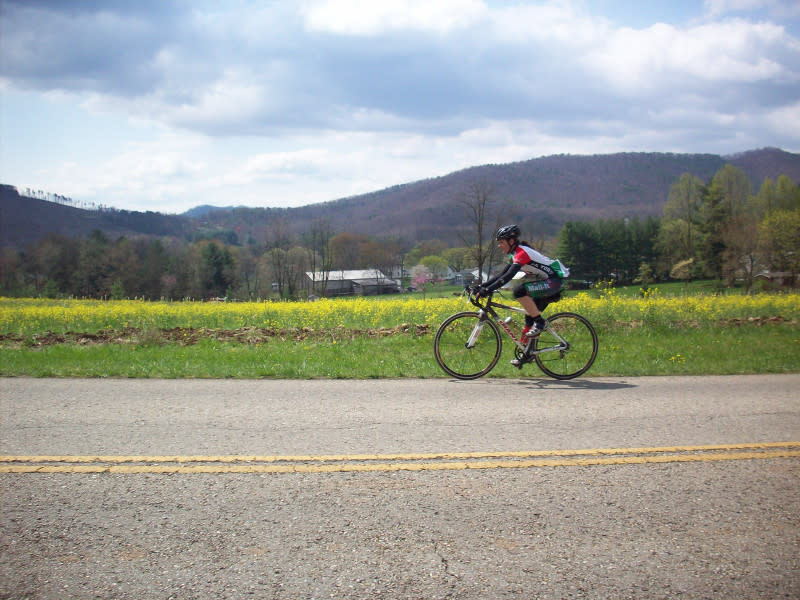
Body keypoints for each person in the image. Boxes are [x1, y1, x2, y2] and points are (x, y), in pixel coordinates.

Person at [476, 225, 569, 365]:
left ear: (511, 241)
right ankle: (527, 354)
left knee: (519, 291)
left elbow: (508, 277)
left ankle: (540, 323)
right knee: (529, 315)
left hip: (554, 282)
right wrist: (482, 287)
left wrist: (487, 291)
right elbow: (502, 274)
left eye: (501, 242)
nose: (500, 246)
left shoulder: (522, 254)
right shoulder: (514, 254)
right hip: (548, 281)